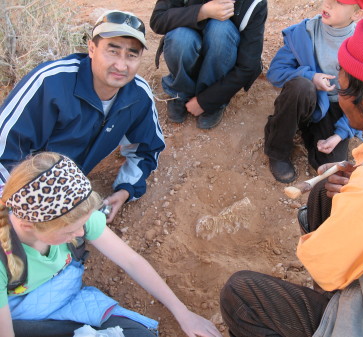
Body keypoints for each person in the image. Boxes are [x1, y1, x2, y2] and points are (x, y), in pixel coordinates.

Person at [220, 4, 363, 337]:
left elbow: (323, 268)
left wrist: (355, 201)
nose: (339, 96)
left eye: (342, 87)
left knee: (241, 294)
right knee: (323, 195)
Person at [0, 152, 222, 337]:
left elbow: (131, 261)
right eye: (69, 232)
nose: (80, 233)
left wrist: (183, 313)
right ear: (28, 225)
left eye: (83, 225)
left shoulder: (76, 215)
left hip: (69, 300)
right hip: (20, 318)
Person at [0, 10, 165, 223]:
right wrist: (33, 207)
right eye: (112, 51)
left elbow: (146, 149)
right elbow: (4, 153)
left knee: (80, 239)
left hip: (69, 191)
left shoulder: (138, 96)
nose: (121, 65)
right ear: (92, 48)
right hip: (24, 193)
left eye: (131, 55)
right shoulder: (50, 83)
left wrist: (125, 190)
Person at [264, 0, 363, 183]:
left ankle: (307, 131)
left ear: (357, 15)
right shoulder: (304, 33)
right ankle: (278, 150)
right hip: (305, 97)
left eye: (338, 2)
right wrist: (310, 76)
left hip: (337, 109)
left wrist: (340, 134)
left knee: (329, 169)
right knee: (301, 86)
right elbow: (275, 72)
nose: (328, 4)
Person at [150, 0, 268, 129]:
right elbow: (158, 20)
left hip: (222, 67)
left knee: (221, 30)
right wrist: (202, 12)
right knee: (181, 37)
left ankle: (213, 99)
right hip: (188, 53)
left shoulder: (254, 4)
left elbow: (248, 66)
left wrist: (207, 101)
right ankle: (180, 91)